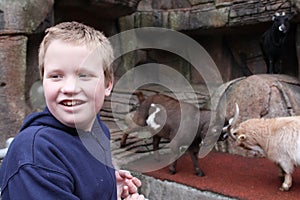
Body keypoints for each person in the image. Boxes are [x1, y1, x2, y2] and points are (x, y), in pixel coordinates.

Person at [0, 21, 145, 200]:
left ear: (108, 84)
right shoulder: (37, 155)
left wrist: (106, 187)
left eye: (84, 75)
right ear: (43, 82)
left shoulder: (97, 131)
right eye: (56, 76)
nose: (69, 88)